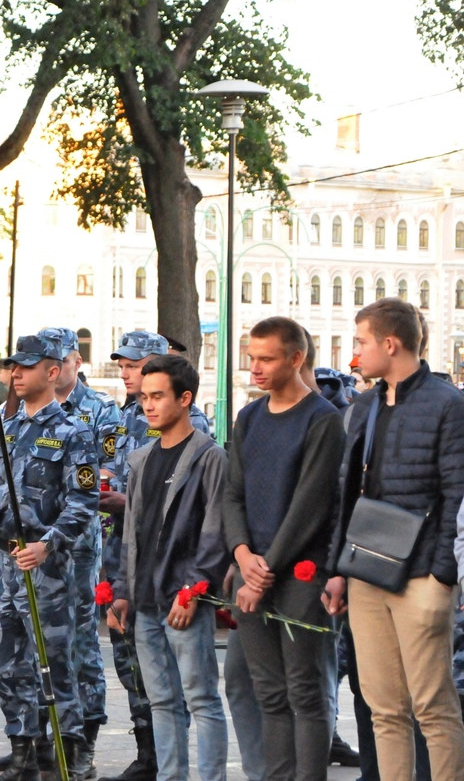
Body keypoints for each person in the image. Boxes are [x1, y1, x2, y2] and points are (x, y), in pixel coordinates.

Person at [324, 298, 464, 781]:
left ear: (390, 343)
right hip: (366, 570)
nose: (356, 353)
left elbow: (457, 495)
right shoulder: (364, 405)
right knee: (383, 706)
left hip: (423, 574)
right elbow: (347, 493)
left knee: (433, 707)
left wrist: (443, 577)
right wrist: (338, 570)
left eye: (361, 342)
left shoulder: (448, 404)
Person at [0, 334, 98, 779]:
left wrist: (50, 544)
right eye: (12, 367)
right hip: (4, 560)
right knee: (8, 661)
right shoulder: (7, 429)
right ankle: (22, 748)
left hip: (45, 564)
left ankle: (71, 748)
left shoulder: (73, 430)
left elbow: (85, 500)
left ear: (53, 371)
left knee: (56, 661)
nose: (15, 374)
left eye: (26, 366)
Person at [224, 317, 343, 781]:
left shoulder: (322, 420)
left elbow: (309, 506)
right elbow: (233, 494)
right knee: (267, 691)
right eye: (252, 357)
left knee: (304, 690)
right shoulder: (249, 417)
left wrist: (264, 570)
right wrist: (240, 554)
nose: (255, 367)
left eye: (267, 358)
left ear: (296, 359)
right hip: (253, 568)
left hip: (298, 575)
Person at [108, 355, 229, 781]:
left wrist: (194, 590)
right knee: (161, 701)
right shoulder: (140, 459)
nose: (149, 406)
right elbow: (131, 534)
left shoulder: (209, 457)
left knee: (202, 699)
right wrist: (122, 590)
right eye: (144, 397)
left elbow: (216, 531)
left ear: (186, 398)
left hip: (184, 600)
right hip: (144, 601)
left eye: (158, 396)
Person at [42, 327, 120, 780]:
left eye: (57, 360)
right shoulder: (27, 410)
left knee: (81, 641)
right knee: (41, 642)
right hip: (34, 544)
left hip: (77, 544)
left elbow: (104, 476)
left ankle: (84, 736)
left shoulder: (100, 411)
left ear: (74, 361)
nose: (49, 370)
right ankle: (42, 735)